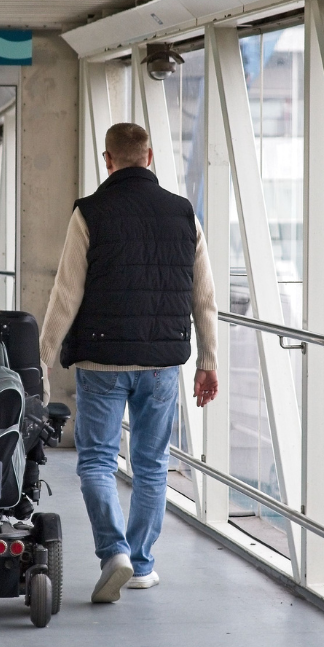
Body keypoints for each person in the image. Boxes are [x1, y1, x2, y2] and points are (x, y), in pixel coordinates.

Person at [40, 122, 219, 604]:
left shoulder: (89, 213)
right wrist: (208, 359)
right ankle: (140, 564)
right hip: (161, 361)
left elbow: (66, 294)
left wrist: (40, 359)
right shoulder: (184, 214)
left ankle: (113, 551)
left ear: (108, 160)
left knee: (97, 460)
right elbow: (203, 296)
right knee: (151, 463)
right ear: (151, 156)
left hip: (102, 360)